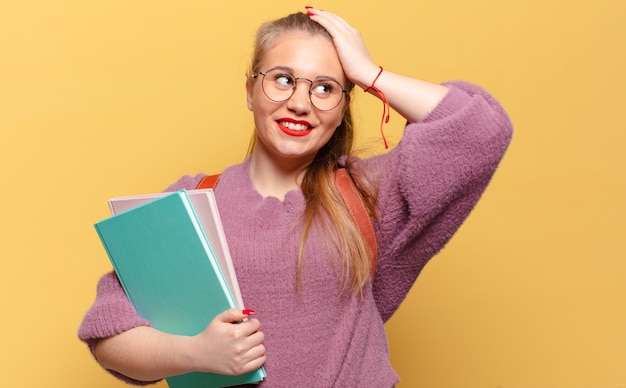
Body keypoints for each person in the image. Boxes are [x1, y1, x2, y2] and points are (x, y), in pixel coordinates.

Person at [78, 7, 513, 387]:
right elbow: (109, 333)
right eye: (283, 79)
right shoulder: (190, 201)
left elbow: (482, 129)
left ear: (344, 105)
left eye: (325, 88)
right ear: (250, 90)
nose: (300, 103)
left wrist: (369, 73)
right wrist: (197, 354)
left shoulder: (367, 193)